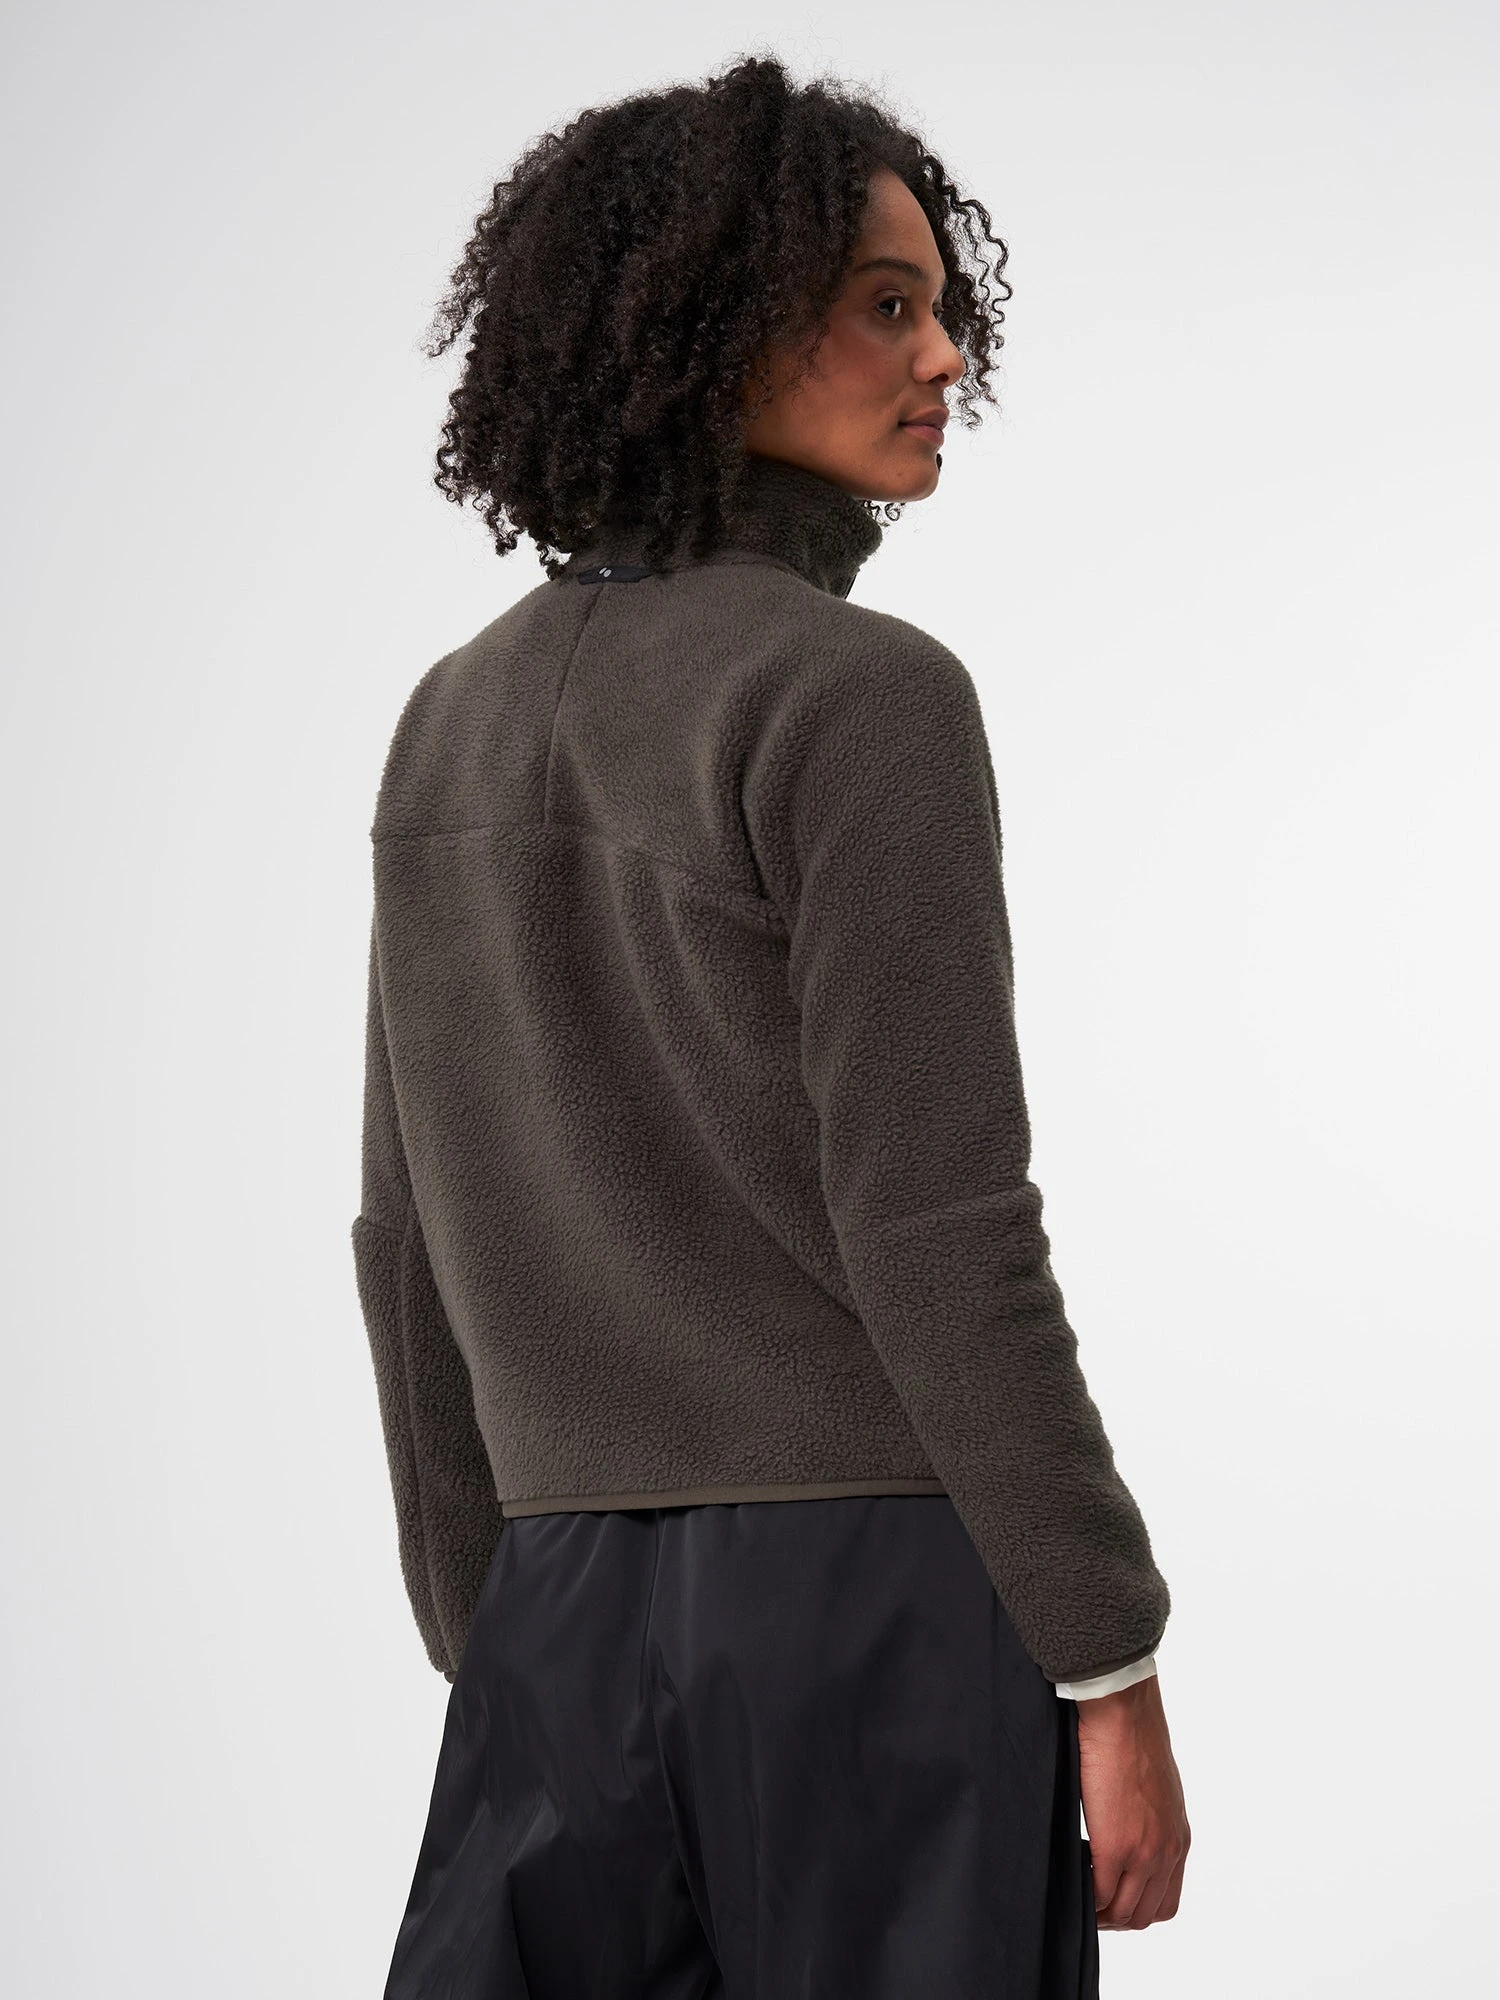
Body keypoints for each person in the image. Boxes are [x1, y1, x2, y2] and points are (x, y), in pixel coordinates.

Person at [353, 52, 1189, 1998]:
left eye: (943, 309)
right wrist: (1110, 1656)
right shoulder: (858, 694)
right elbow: (942, 1225)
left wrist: (500, 1635)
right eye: (887, 305)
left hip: (557, 1606)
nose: (945, 357)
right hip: (873, 1606)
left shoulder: (446, 716)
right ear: (719, 327)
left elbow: (407, 1247)